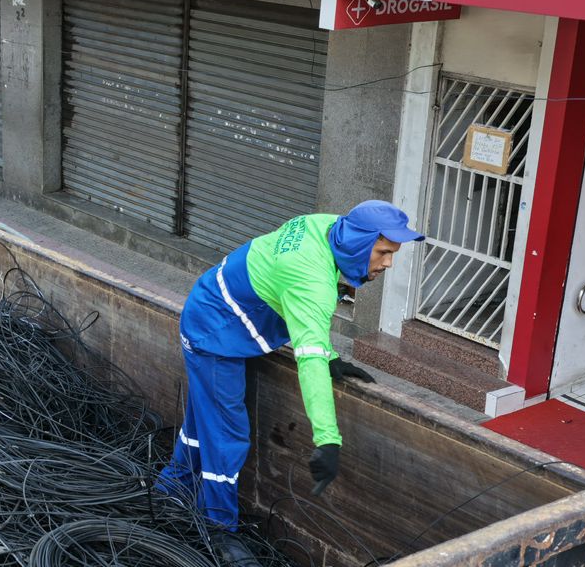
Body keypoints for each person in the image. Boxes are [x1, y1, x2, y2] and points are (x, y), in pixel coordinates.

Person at [158, 201, 425, 529]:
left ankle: (170, 491)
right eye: (383, 252)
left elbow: (303, 321)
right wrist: (328, 439)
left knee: (203, 424)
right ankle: (218, 529)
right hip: (214, 334)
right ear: (357, 243)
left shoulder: (327, 227)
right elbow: (308, 359)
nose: (389, 263)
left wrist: (331, 357)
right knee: (227, 437)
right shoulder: (311, 282)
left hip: (211, 306)